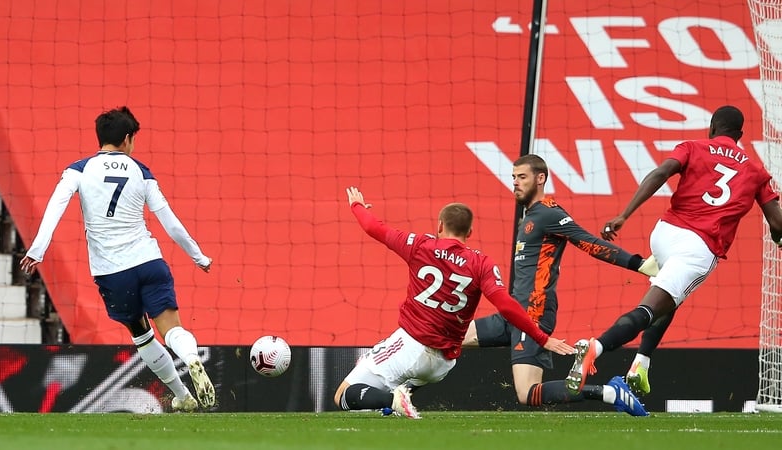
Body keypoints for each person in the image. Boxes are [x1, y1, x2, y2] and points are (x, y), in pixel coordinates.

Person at [565, 105, 782, 398]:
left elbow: (661, 172)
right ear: (740, 135)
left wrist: (624, 215)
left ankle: (641, 363)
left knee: (670, 296)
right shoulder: (755, 172)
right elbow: (777, 222)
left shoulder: (693, 147)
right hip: (698, 248)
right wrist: (778, 238)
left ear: (712, 128)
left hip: (664, 234)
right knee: (651, 307)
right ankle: (597, 346)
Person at [19, 106, 216, 412]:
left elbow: (55, 208)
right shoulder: (142, 172)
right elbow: (169, 221)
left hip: (113, 272)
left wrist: (37, 250)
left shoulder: (78, 170)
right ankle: (191, 357)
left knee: (143, 335)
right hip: (150, 262)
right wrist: (197, 255)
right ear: (127, 139)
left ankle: (183, 395)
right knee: (172, 329)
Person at [333, 186, 576, 419]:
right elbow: (506, 305)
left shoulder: (420, 246)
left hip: (411, 345)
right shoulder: (481, 263)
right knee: (367, 403)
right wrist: (542, 338)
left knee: (344, 394)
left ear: (439, 226)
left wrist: (357, 206)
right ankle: (395, 399)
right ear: (469, 233)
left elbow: (373, 227)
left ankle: (394, 401)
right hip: (442, 364)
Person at [462, 154, 653, 416]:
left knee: (527, 393)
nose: (515, 183)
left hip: (532, 312)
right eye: (514, 178)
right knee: (449, 337)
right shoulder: (531, 217)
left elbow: (589, 243)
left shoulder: (549, 214)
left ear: (540, 179)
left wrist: (638, 264)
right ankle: (397, 397)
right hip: (513, 311)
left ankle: (609, 393)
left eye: (522, 177)